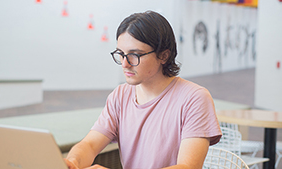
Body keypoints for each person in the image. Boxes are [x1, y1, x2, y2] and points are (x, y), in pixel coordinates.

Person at [64, 10, 222, 169]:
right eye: (121, 54)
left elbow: (188, 167)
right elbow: (90, 145)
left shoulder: (194, 98)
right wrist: (73, 162)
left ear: (163, 56)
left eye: (135, 55)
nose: (125, 64)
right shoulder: (120, 96)